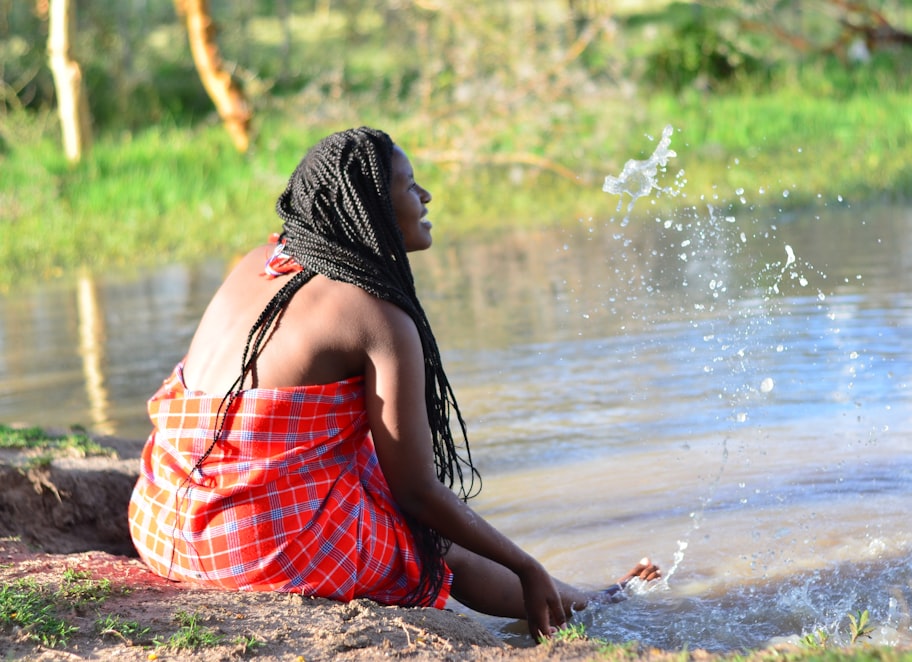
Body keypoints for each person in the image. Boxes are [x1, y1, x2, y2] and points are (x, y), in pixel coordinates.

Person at [128, 127, 660, 641]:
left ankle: (577, 597)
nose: (426, 196)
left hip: (161, 519)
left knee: (370, 470)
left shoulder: (260, 263)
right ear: (373, 208)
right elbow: (419, 492)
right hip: (245, 546)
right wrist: (525, 564)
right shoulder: (375, 315)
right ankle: (583, 604)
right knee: (424, 532)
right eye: (409, 186)